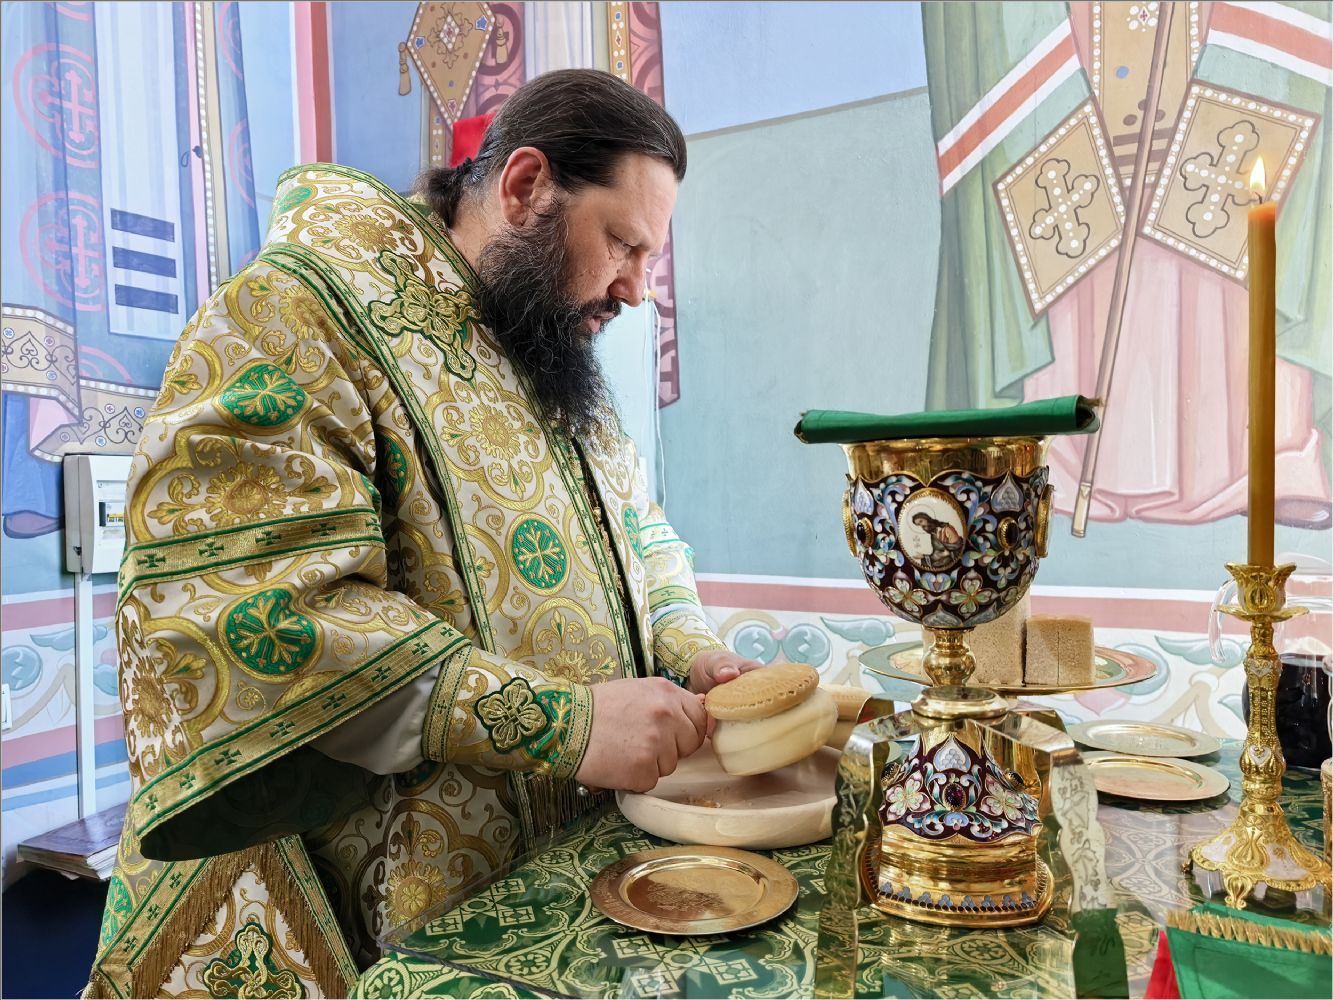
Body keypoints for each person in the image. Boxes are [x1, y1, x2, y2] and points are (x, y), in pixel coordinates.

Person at [86, 69, 762, 998]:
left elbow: (640, 534)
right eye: (622, 243)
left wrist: (692, 650)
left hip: (546, 863)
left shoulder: (544, 346)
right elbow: (263, 615)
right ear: (525, 187)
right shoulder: (297, 313)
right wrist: (563, 724)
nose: (637, 289)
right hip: (363, 896)